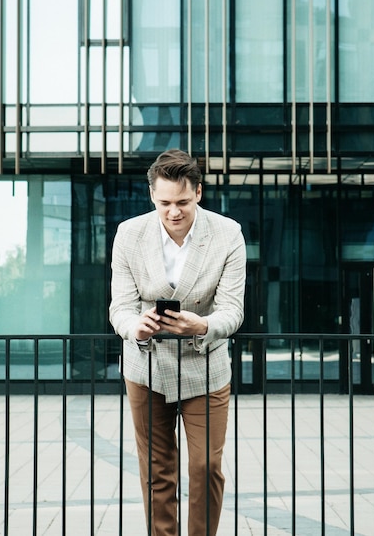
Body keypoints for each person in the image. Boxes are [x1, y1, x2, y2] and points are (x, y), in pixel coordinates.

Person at [109, 149, 247, 536]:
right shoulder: (129, 234)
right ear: (152, 195)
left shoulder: (227, 233)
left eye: (183, 202)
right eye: (165, 202)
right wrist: (135, 327)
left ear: (199, 193)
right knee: (156, 470)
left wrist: (201, 325)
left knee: (205, 468)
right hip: (146, 365)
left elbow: (232, 310)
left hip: (205, 365)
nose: (174, 212)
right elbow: (120, 306)